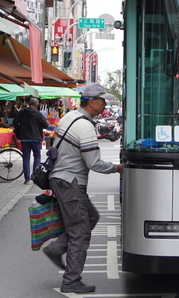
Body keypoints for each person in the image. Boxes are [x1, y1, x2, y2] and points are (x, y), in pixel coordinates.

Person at [42, 83, 123, 294]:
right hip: (70, 183)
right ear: (92, 102)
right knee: (80, 231)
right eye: (103, 100)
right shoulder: (85, 126)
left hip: (61, 180)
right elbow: (94, 163)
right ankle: (71, 280)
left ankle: (56, 248)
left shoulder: (69, 117)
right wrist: (118, 168)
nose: (105, 104)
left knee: (91, 217)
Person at [12, 97, 49, 184]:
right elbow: (45, 125)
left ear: (29, 104)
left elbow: (14, 122)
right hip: (36, 138)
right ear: (36, 105)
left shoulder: (22, 112)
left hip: (24, 138)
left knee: (26, 158)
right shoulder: (38, 114)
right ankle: (35, 177)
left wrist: (20, 129)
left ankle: (27, 179)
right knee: (37, 156)